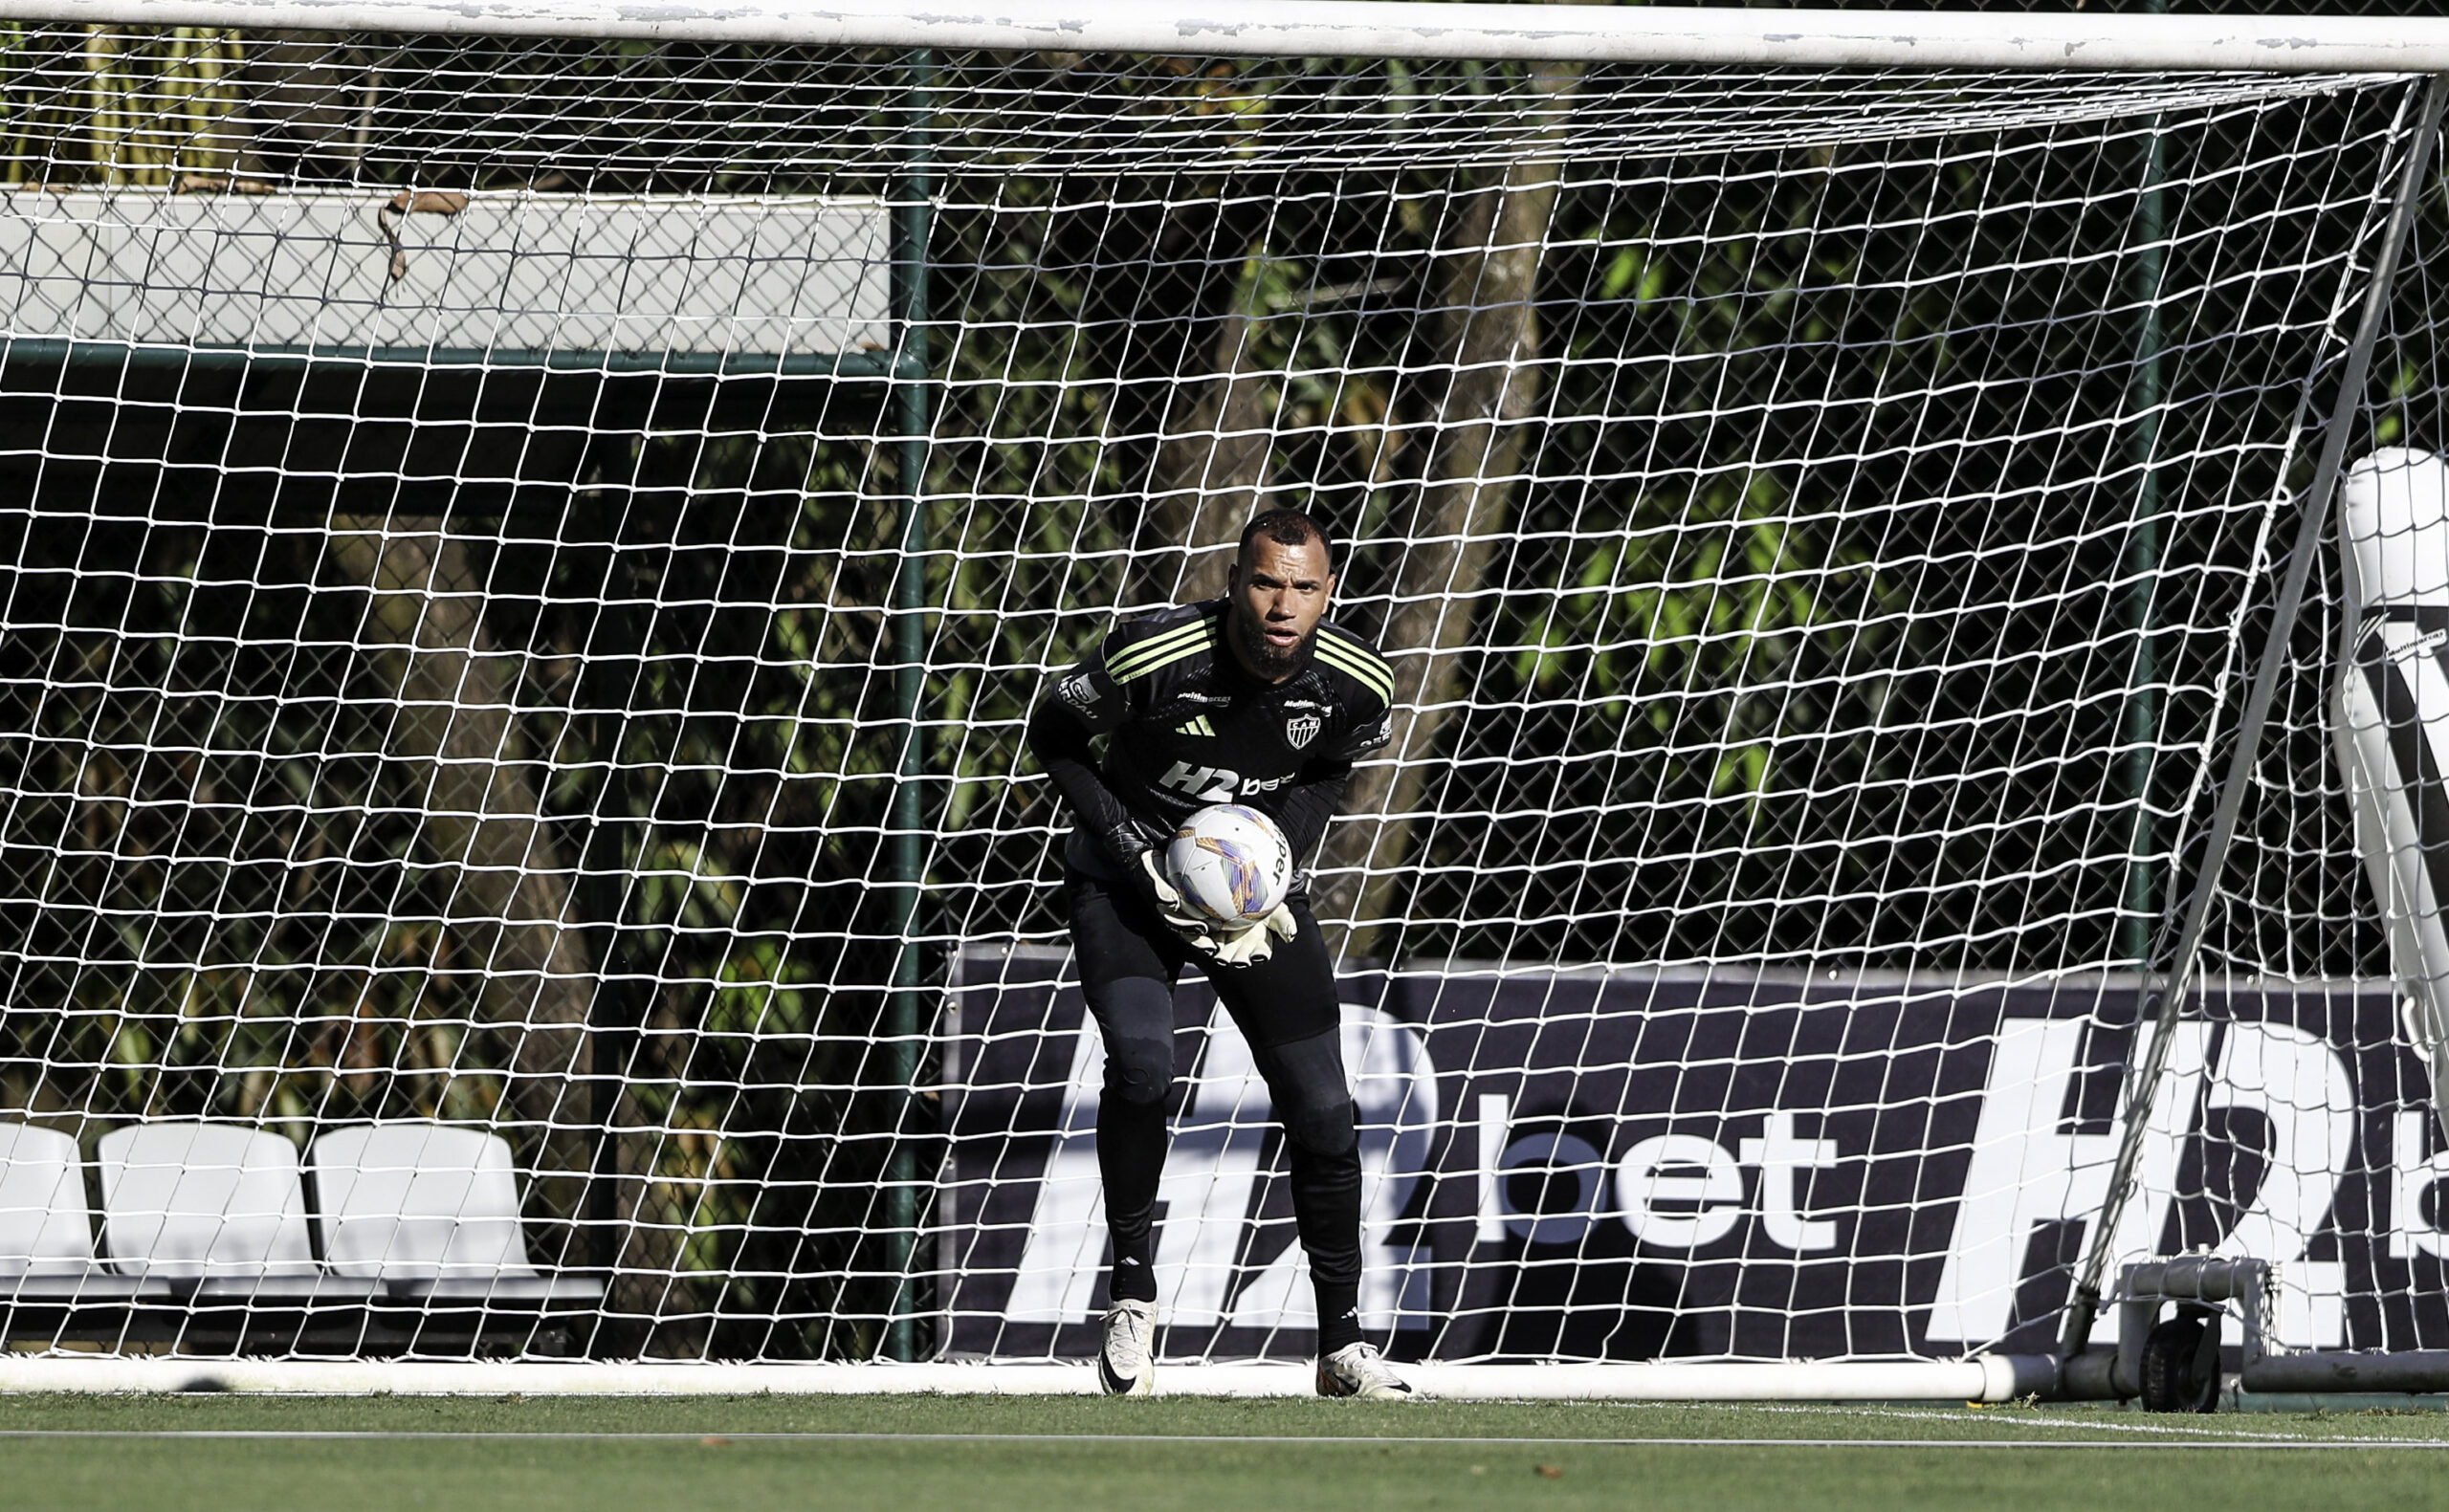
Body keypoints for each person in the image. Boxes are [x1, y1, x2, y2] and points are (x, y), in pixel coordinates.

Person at [1024, 507, 1417, 1400]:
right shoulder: (1155, 655)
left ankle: (1343, 1346)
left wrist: (1277, 869)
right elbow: (1053, 733)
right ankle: (1132, 1294)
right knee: (1142, 1067)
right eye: (1266, 581)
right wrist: (1133, 851)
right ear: (1235, 581)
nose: (1283, 604)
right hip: (1127, 883)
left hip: (1248, 898)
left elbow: (1329, 768)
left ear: (1327, 593)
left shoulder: (1359, 683)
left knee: (1325, 1106)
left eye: (1303, 587)